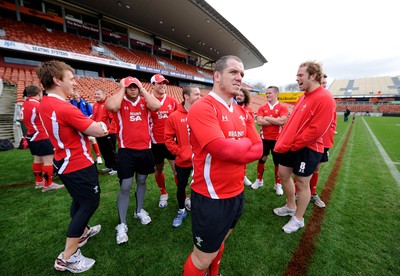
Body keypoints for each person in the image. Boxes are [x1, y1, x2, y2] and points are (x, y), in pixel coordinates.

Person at [182, 55, 262, 275]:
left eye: (242, 74)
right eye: (234, 72)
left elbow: (259, 149)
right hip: (211, 197)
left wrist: (237, 148)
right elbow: (222, 150)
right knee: (201, 258)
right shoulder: (203, 107)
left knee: (220, 242)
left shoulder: (241, 111)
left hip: (236, 193)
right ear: (217, 76)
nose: (240, 78)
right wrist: (245, 143)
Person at [37, 60, 108, 273]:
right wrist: (102, 126)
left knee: (80, 200)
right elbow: (97, 130)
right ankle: (67, 256)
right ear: (57, 80)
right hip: (77, 163)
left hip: (66, 160)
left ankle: (83, 232)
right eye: (70, 78)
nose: (74, 82)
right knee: (89, 203)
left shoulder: (46, 102)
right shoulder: (62, 106)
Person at [273, 61, 336, 234]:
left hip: (308, 148)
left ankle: (298, 219)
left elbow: (317, 130)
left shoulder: (325, 98)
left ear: (313, 76)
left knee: (302, 183)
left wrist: (294, 144)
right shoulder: (303, 97)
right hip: (292, 145)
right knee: (283, 174)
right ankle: (291, 206)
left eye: (300, 75)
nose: (297, 78)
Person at [105, 76, 160, 244]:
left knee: (142, 181)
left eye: (135, 86)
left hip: (145, 149)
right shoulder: (120, 102)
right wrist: (122, 88)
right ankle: (122, 223)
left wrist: (143, 90)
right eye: (130, 87)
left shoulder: (145, 102)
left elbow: (157, 106)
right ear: (125, 88)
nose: (133, 89)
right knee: (126, 185)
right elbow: (111, 106)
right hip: (126, 151)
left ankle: (139, 210)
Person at [164, 85, 201, 228]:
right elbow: (167, 138)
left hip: (200, 159)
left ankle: (198, 208)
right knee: (181, 186)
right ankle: (181, 210)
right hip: (183, 160)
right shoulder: (174, 116)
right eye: (196, 94)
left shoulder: (201, 113)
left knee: (200, 186)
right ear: (186, 96)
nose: (199, 97)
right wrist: (180, 152)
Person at [20, 84, 64, 192]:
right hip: (40, 135)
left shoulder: (24, 104)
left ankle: (39, 182)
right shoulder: (37, 105)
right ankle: (48, 184)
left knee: (37, 159)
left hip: (31, 135)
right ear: (39, 93)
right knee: (48, 160)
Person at [251, 86, 288, 195]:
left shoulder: (282, 107)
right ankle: (259, 180)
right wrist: (275, 120)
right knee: (262, 158)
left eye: (270, 93)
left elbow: (282, 121)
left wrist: (267, 118)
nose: (267, 95)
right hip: (264, 138)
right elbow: (260, 122)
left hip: (278, 139)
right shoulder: (262, 107)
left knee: (277, 162)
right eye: (266, 93)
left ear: (276, 94)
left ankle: (278, 184)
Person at [149, 74, 179, 208]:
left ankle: (183, 195)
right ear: (152, 85)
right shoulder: (147, 101)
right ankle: (163, 192)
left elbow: (179, 119)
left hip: (171, 142)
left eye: (164, 83)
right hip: (155, 142)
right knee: (159, 169)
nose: (162, 85)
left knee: (177, 170)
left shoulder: (172, 101)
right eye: (159, 83)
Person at [70, 90, 103, 165]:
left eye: (77, 95)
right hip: (75, 125)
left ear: (79, 95)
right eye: (74, 96)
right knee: (80, 141)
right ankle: (82, 158)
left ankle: (98, 157)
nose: (76, 97)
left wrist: (87, 120)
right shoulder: (70, 103)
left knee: (92, 139)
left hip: (85, 123)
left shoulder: (85, 103)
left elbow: (91, 114)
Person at [92, 88, 118, 175]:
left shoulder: (108, 104)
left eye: (98, 94)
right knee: (104, 150)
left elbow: (114, 118)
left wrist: (110, 130)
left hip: (108, 133)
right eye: (95, 94)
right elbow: (94, 118)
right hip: (99, 133)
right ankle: (109, 166)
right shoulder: (95, 105)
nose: (96, 95)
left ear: (104, 94)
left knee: (111, 151)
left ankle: (116, 167)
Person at [235, 87, 254, 186]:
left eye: (241, 95)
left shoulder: (248, 110)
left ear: (245, 97)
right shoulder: (231, 107)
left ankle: (243, 175)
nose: (239, 97)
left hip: (244, 138)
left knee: (243, 158)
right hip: (233, 136)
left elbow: (250, 126)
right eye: (237, 95)